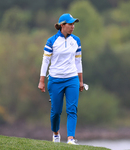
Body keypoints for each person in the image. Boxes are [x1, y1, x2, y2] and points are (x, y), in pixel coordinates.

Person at [38, 13, 84, 145]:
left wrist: (80, 81)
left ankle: (70, 139)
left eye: (74, 24)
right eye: (70, 24)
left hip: (72, 79)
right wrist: (41, 81)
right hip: (55, 80)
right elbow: (45, 61)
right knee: (56, 111)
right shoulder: (51, 41)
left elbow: (78, 62)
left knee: (72, 109)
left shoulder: (76, 41)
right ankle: (56, 133)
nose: (73, 27)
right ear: (62, 25)